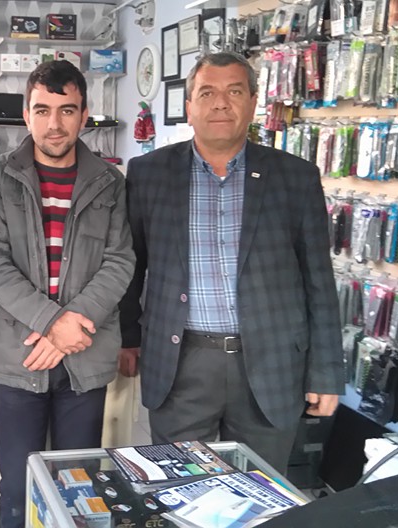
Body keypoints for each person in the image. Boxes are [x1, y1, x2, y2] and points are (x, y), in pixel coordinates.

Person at [119, 52, 343, 473]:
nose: (220, 103)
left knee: (262, 491)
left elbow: (319, 280)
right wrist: (127, 337)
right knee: (180, 487)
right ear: (189, 107)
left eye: (234, 91)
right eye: (207, 93)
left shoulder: (296, 177)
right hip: (180, 363)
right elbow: (131, 264)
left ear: (253, 102)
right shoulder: (149, 173)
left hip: (270, 366)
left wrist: (326, 372)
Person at [0, 60, 135, 528]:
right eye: (42, 110)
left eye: (67, 110)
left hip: (85, 355)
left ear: (84, 116)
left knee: (79, 487)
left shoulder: (109, 182)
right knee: (17, 488)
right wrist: (52, 322)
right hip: (18, 357)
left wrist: (69, 327)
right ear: (27, 114)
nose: (54, 124)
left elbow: (120, 260)